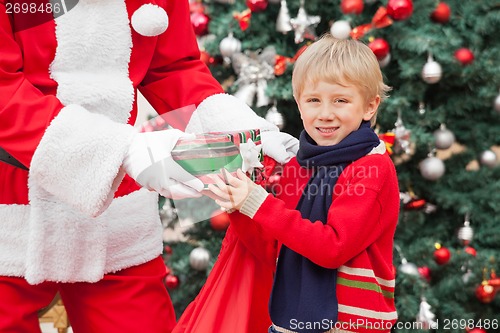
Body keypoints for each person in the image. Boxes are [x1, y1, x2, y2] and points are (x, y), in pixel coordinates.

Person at [0, 1, 298, 332]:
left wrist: (244, 133)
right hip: (11, 199)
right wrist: (124, 150)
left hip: (117, 209)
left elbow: (174, 68)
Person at [209, 35, 399, 333]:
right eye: (313, 100)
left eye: (340, 100)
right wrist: (239, 205)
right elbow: (274, 247)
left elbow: (333, 247)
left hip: (350, 324)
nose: (325, 113)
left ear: (369, 107)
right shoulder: (298, 165)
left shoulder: (371, 168)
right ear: (299, 104)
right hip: (291, 321)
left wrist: (259, 203)